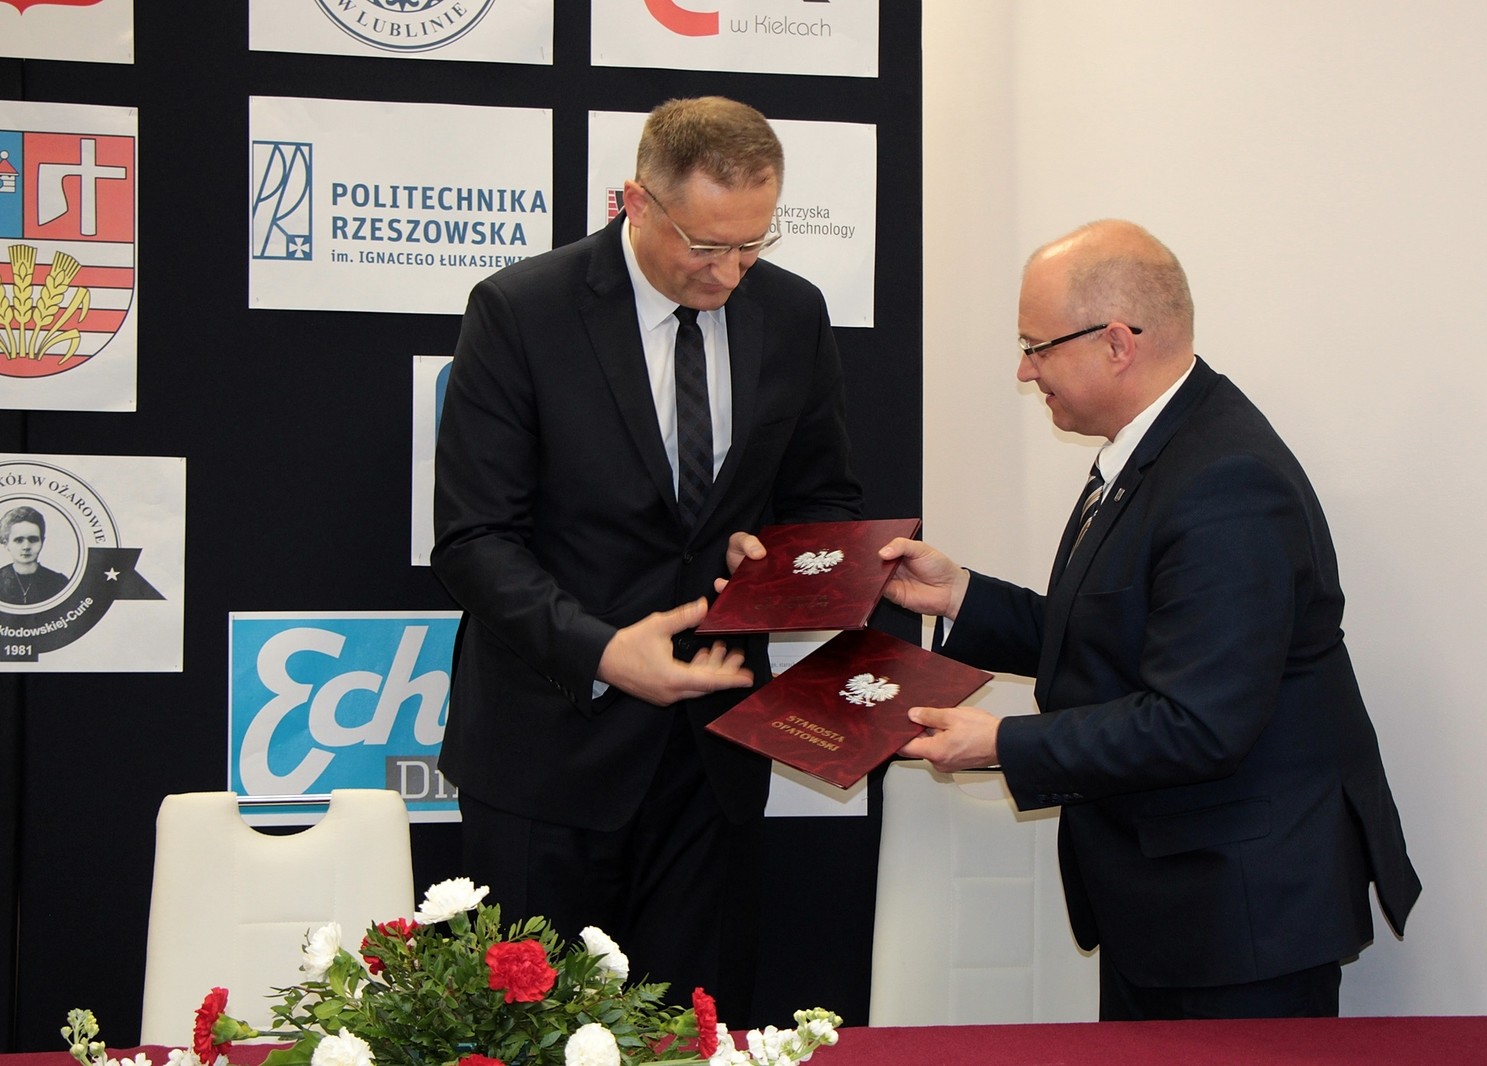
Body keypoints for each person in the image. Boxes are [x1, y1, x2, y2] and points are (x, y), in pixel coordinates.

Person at [879, 220, 1419, 1021]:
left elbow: (1198, 723)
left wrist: (1003, 743)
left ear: (1117, 343)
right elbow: (1115, 636)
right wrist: (960, 595)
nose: (1024, 371)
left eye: (1036, 347)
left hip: (1240, 918)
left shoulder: (1226, 480)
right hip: (1175, 900)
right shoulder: (1160, 446)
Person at [432, 96, 861, 1025]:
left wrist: (775, 560)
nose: (730, 270)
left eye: (753, 243)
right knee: (528, 1039)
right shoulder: (522, 310)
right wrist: (600, 651)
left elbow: (824, 501)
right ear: (635, 202)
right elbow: (474, 539)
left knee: (695, 1033)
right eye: (706, 245)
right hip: (548, 754)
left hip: (713, 762)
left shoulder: (792, 313)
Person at [0, 506, 70, 606]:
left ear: (42, 542)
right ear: (6, 544)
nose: (26, 547)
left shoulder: (59, 582)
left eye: (33, 539)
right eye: (19, 540)